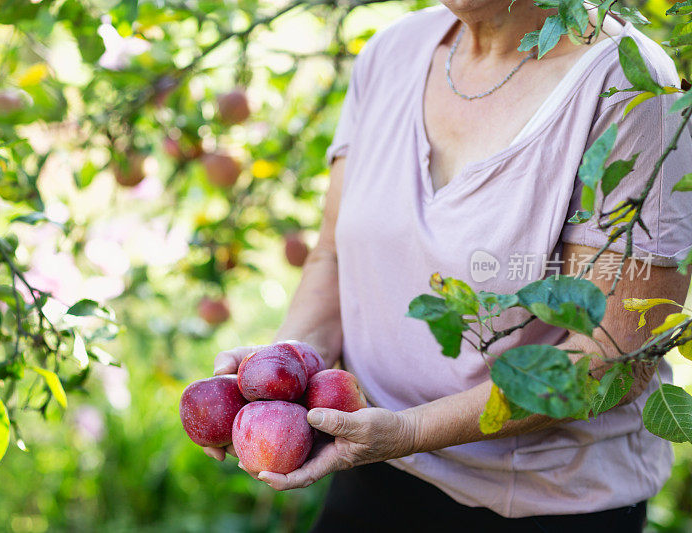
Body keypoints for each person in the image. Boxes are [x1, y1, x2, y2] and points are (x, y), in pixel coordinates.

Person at [203, 1, 692, 530]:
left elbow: (612, 357)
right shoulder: (391, 53)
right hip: (369, 465)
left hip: (543, 503)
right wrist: (286, 370)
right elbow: (332, 254)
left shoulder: (633, 86)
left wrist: (411, 431)